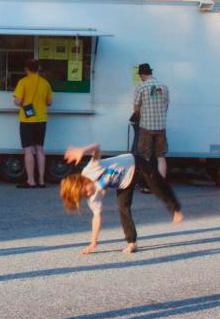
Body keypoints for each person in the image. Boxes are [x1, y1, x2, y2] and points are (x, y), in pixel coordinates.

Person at [60, 143, 183, 255]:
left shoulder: (90, 170)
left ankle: (176, 209)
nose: (88, 193)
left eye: (85, 190)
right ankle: (132, 243)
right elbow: (97, 217)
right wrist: (93, 243)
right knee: (123, 208)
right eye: (84, 195)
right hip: (124, 183)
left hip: (135, 163)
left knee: (157, 186)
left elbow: (97, 147)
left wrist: (83, 150)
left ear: (82, 181)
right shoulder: (92, 197)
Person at [13, 59, 53, 188]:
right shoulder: (45, 83)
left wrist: (16, 100)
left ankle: (31, 180)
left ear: (26, 69)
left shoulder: (23, 82)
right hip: (41, 120)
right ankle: (41, 180)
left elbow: (18, 102)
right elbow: (49, 102)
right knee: (40, 149)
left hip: (27, 120)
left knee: (28, 150)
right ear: (38, 68)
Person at [133, 63, 170, 191]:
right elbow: (166, 105)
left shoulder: (141, 87)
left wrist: (137, 117)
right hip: (161, 127)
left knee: (145, 157)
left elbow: (136, 108)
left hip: (146, 127)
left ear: (142, 75)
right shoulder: (164, 86)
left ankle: (147, 185)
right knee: (161, 157)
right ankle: (161, 186)